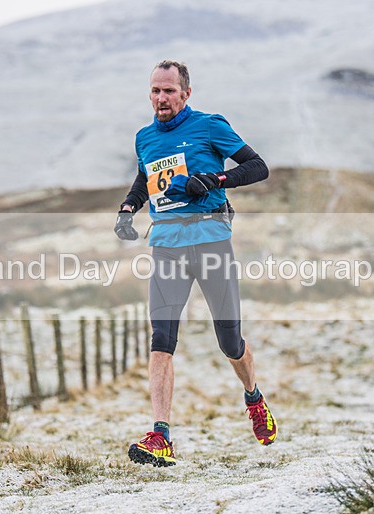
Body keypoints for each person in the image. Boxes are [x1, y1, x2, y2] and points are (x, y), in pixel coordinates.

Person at [114, 60, 277, 467]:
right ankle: (160, 435)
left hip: (210, 241)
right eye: (155, 90)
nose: (161, 98)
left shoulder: (209, 126)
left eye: (169, 90)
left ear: (186, 94)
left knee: (229, 342)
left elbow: (258, 167)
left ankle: (253, 398)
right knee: (161, 338)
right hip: (167, 245)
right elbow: (146, 177)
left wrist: (215, 180)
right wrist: (129, 207)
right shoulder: (145, 137)